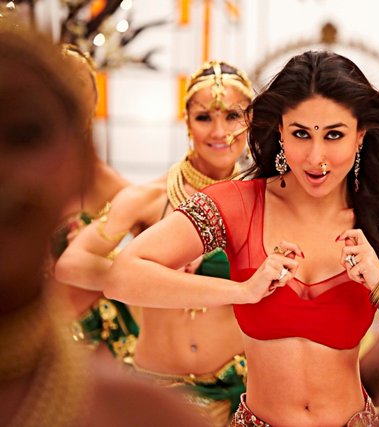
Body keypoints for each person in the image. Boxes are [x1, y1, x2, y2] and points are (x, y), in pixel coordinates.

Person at [104, 49, 379, 426]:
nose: (316, 157)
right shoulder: (236, 205)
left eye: (334, 135)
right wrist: (243, 291)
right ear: (280, 132)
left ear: (361, 135)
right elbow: (123, 275)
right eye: (301, 133)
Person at [0, 17, 210, 427]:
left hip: (94, 343)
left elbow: (158, 253)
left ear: (81, 165)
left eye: (25, 134)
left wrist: (161, 258)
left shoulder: (139, 414)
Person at [55, 59, 253, 425]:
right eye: (204, 117)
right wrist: (148, 273)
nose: (220, 131)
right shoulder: (150, 197)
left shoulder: (262, 203)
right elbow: (71, 265)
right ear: (186, 121)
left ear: (250, 120)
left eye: (233, 116)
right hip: (156, 388)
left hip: (236, 392)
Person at [49, 43, 137, 360]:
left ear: (94, 101)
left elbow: (159, 251)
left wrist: (104, 256)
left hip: (99, 338)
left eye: (79, 83)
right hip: (28, 332)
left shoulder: (108, 184)